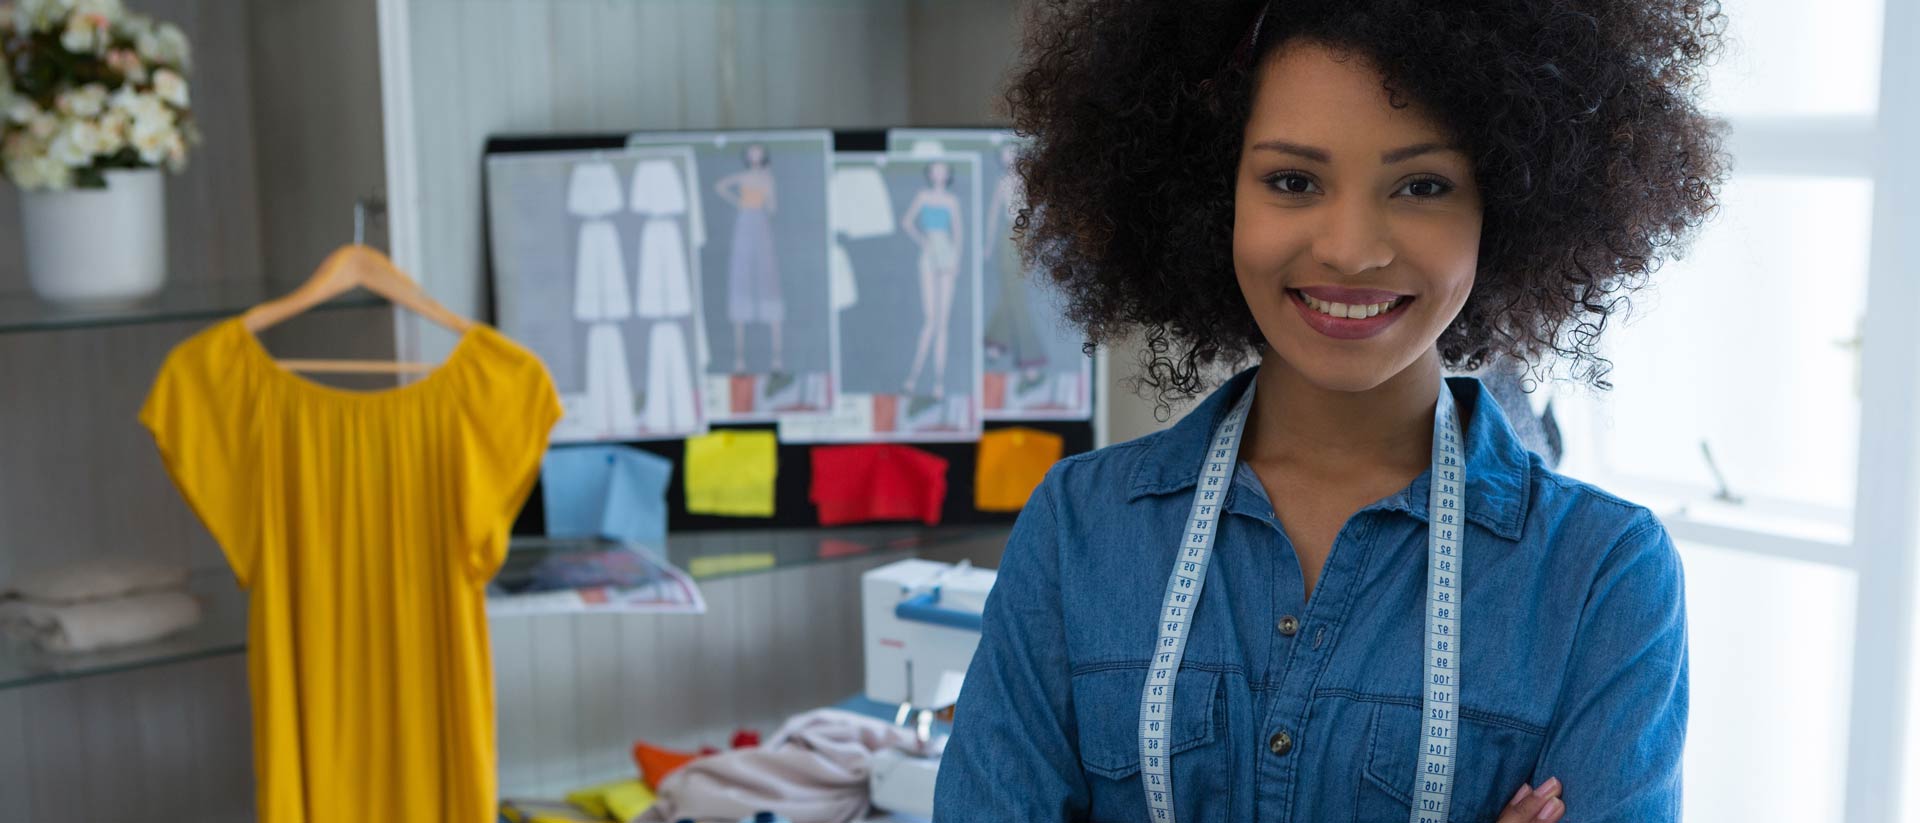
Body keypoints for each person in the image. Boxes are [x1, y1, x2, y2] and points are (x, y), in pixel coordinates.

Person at [933, 1, 1729, 822]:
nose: (1352, 249)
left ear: (1508, 203)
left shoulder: (1603, 577)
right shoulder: (1079, 530)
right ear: (1214, 196)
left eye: (1423, 185)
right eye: (1293, 181)